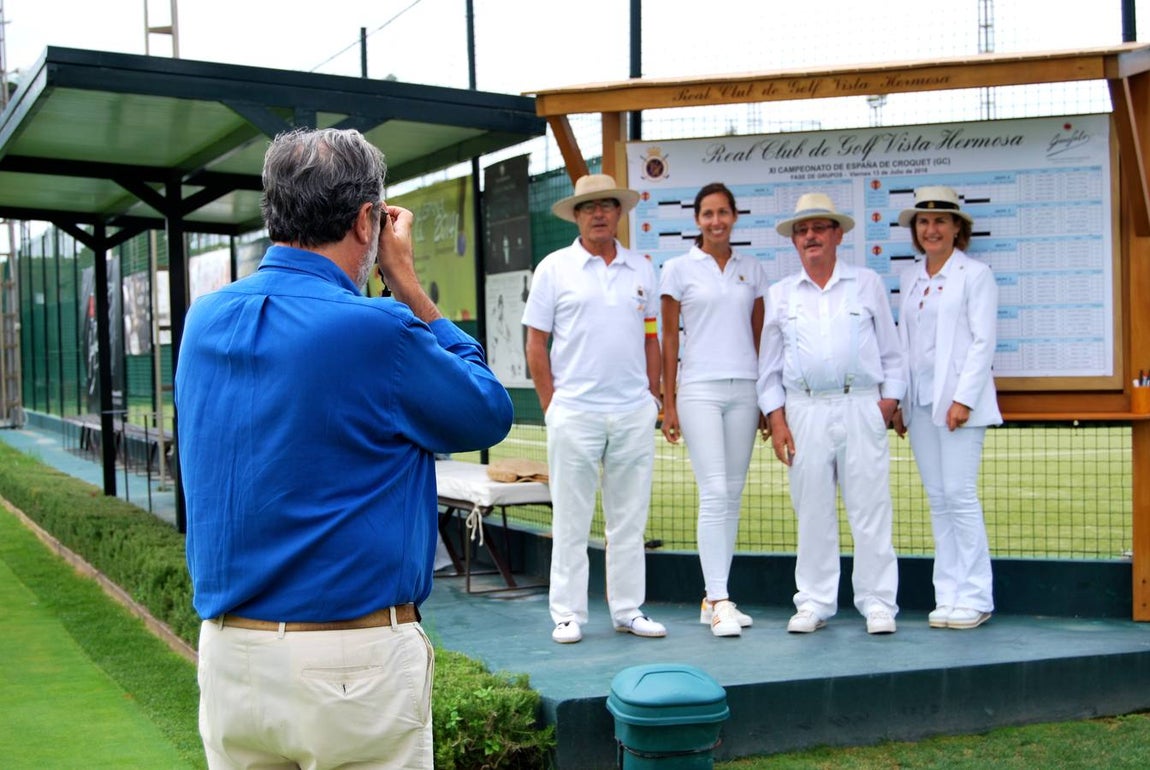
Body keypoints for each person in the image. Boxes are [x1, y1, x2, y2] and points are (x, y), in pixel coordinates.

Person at [175, 127, 513, 769]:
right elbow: (487, 410)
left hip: (229, 659)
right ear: (368, 221)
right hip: (349, 663)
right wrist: (408, 284)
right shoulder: (375, 329)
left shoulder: (203, 320)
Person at [522, 173, 666, 644]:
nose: (598, 213)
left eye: (606, 205)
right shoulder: (553, 268)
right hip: (575, 412)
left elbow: (651, 340)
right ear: (576, 215)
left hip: (631, 412)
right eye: (588, 207)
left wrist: (652, 397)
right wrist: (552, 405)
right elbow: (535, 343)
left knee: (629, 519)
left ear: (619, 212)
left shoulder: (642, 269)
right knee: (571, 517)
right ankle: (568, 614)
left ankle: (628, 610)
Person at [757, 192, 906, 635]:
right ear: (794, 242)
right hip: (804, 408)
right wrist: (777, 418)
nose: (810, 237)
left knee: (871, 507)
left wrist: (886, 403)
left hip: (860, 404)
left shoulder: (866, 284)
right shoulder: (780, 295)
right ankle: (815, 602)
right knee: (813, 509)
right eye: (802, 231)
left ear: (837, 234)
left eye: (819, 228)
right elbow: (767, 369)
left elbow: (892, 355)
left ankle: (878, 602)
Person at [659, 182, 767, 638]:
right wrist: (668, 402)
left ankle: (713, 600)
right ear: (697, 219)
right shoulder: (677, 269)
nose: (716, 221)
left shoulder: (752, 270)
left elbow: (762, 339)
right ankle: (720, 598)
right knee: (715, 491)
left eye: (724, 212)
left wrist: (767, 399)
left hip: (746, 389)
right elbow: (668, 339)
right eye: (708, 213)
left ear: (735, 217)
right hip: (698, 389)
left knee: (733, 493)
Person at [892, 185, 1001, 630]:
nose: (931, 229)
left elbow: (982, 342)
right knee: (938, 499)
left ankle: (976, 596)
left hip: (960, 407)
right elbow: (904, 345)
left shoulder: (976, 275)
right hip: (919, 404)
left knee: (959, 496)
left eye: (940, 220)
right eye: (923, 221)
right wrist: (898, 400)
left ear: (958, 227)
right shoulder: (909, 277)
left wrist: (962, 400)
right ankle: (949, 593)